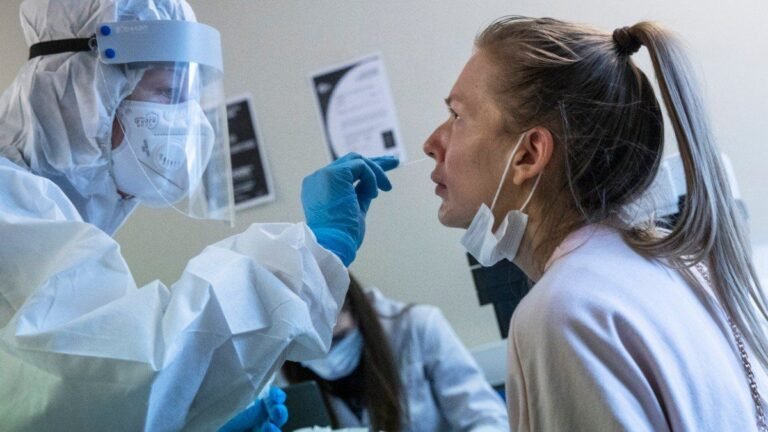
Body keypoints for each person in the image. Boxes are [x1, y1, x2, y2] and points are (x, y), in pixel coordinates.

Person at [0, 0, 396, 430]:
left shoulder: (48, 212)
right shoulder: (9, 203)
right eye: (168, 93)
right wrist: (307, 259)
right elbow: (119, 380)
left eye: (190, 97)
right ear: (85, 93)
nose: (189, 122)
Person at [422, 16, 768, 431]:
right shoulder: (679, 266)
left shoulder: (562, 310)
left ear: (528, 155)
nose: (431, 144)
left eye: (456, 115)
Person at [282, 274, 509, 432]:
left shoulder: (417, 327)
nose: (326, 355)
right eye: (311, 348)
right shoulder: (282, 365)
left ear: (357, 312)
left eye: (337, 338)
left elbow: (487, 419)